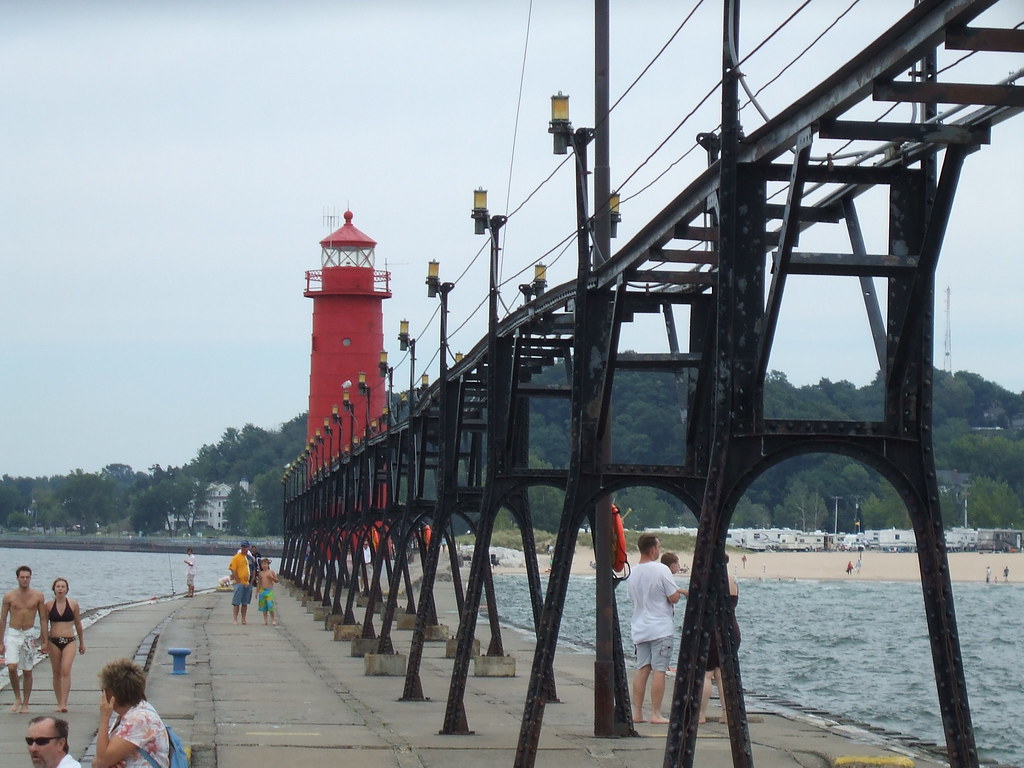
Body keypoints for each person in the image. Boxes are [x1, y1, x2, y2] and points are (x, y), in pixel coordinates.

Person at [627, 534, 685, 724]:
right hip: (660, 626)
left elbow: (632, 597)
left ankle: (637, 713)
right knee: (659, 670)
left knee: (642, 668)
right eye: (658, 547)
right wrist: (680, 593)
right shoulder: (661, 570)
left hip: (640, 626)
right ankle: (655, 713)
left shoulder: (633, 572)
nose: (659, 550)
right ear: (652, 549)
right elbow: (673, 598)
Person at [93, 658, 169, 768]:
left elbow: (100, 761)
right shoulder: (130, 714)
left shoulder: (139, 719)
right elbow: (98, 761)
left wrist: (104, 718)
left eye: (104, 690)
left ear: (113, 694)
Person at [2, 565, 49, 713]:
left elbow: (42, 619)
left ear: (30, 578)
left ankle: (26, 703)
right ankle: (17, 698)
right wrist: (0, 642)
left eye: (27, 577)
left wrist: (45, 640)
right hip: (13, 633)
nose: (25, 580)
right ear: (17, 578)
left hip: (29, 634)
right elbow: (3, 619)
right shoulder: (9, 596)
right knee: (11, 666)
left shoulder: (38, 596)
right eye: (22, 577)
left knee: (27, 670)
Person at [699, 555, 740, 725]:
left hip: (711, 630)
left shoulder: (706, 581)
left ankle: (700, 714)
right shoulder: (732, 581)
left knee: (706, 674)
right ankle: (727, 714)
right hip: (731, 629)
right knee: (723, 674)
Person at [44, 578, 85, 713]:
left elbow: (78, 624)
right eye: (58, 586)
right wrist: (44, 642)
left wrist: (82, 643)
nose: (60, 589)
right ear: (54, 589)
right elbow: (44, 624)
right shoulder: (48, 605)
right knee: (56, 672)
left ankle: (64, 703)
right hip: (54, 641)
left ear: (67, 589)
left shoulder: (73, 604)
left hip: (69, 641)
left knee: (66, 670)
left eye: (63, 586)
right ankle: (59, 702)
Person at [229, 542, 253, 625]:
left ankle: (243, 618)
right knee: (236, 602)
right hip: (239, 583)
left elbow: (253, 569)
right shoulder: (236, 557)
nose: (244, 548)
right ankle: (235, 619)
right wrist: (237, 579)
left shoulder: (250, 558)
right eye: (243, 547)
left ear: (248, 548)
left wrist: (252, 581)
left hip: (247, 583)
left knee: (245, 603)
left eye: (246, 547)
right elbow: (233, 569)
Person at [257, 558, 280, 626]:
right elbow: (259, 583)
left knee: (270, 605)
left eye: (265, 564)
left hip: (269, 590)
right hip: (262, 590)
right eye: (263, 564)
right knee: (263, 607)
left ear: (268, 565)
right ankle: (265, 620)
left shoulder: (271, 572)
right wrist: (257, 592)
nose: (264, 566)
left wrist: (272, 578)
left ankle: (273, 619)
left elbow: (277, 580)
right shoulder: (261, 573)